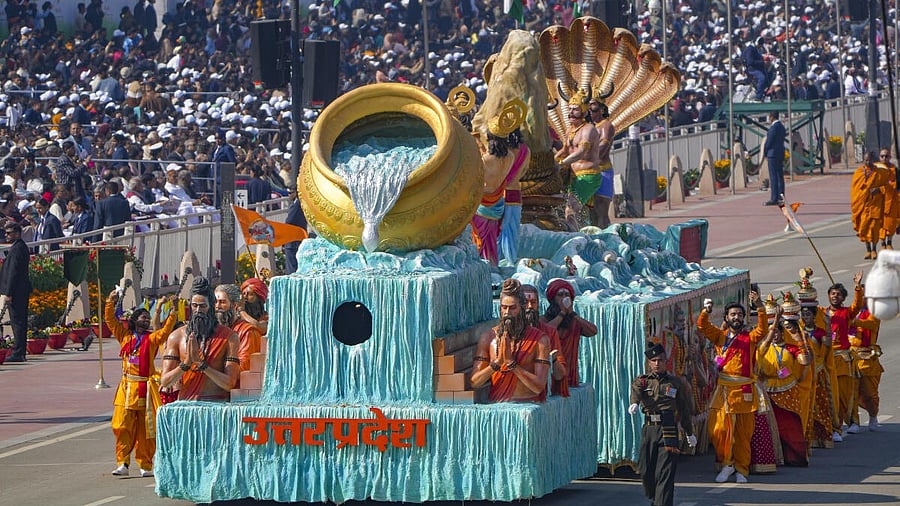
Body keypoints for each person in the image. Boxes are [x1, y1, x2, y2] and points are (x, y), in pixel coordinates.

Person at [696, 290, 767, 483]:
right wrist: (706, 311)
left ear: (744, 318)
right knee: (718, 430)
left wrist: (759, 306)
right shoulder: (720, 337)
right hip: (724, 390)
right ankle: (727, 464)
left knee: (743, 434)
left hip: (744, 391)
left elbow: (763, 330)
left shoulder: (750, 338)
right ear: (727, 317)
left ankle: (741, 470)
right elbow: (702, 325)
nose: (736, 317)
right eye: (733, 314)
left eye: (740, 315)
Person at [105, 290, 177, 477]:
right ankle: (122, 463)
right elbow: (110, 321)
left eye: (148, 318)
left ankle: (145, 464)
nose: (146, 320)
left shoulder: (151, 339)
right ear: (135, 319)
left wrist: (173, 312)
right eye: (143, 317)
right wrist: (110, 302)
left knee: (147, 430)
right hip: (126, 389)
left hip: (145, 390)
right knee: (121, 426)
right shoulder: (124, 337)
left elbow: (165, 332)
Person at [628, 343, 696, 506]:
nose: (657, 363)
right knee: (645, 470)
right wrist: (635, 403)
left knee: (665, 473)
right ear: (649, 363)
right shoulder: (643, 382)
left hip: (668, 429)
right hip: (650, 428)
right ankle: (655, 497)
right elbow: (636, 392)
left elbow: (684, 409)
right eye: (654, 360)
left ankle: (662, 502)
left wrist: (689, 432)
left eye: (660, 360)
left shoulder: (675, 383)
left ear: (666, 362)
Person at [160, 277, 240, 401]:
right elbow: (165, 381)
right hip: (186, 405)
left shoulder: (229, 337)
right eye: (194, 305)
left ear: (212, 306)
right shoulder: (176, 337)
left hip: (215, 406)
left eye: (203, 306)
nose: (198, 311)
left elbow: (230, 384)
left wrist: (201, 365)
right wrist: (186, 363)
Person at [470, 279, 551, 402]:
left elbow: (539, 386)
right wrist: (496, 363)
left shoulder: (540, 340)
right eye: (504, 308)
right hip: (498, 405)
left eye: (513, 308)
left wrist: (511, 364)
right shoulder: (488, 338)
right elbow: (475, 382)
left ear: (522, 308)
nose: (507, 313)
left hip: (527, 405)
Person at [756, 294, 812, 467]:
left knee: (790, 426)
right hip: (768, 392)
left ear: (782, 333)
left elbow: (805, 361)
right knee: (771, 427)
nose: (775, 336)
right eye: (772, 333)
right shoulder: (763, 348)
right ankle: (774, 456)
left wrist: (801, 341)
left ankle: (793, 457)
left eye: (778, 332)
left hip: (787, 391)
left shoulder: (791, 348)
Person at [471, 98, 528, 266]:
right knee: (493, 237)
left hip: (483, 202)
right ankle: (496, 264)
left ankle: (482, 266)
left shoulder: (486, 159)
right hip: (498, 202)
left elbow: (479, 173)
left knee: (480, 237)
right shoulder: (510, 157)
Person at [820, 272, 865, 437]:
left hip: (843, 358)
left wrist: (857, 287)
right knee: (830, 395)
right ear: (828, 296)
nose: (835, 296)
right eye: (832, 294)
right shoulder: (822, 313)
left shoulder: (847, 313)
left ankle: (849, 421)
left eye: (838, 294)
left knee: (845, 395)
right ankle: (834, 428)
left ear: (843, 298)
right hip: (827, 358)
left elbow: (857, 305)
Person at [797, 269, 837, 447]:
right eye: (803, 315)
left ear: (814, 316)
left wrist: (828, 326)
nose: (806, 317)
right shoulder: (798, 332)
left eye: (808, 315)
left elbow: (827, 344)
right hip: (804, 373)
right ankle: (808, 436)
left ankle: (825, 435)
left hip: (818, 374)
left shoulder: (819, 332)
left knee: (820, 405)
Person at [555, 90, 602, 229]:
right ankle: (584, 234)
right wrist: (552, 160)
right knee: (575, 212)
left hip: (588, 176)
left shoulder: (588, 130)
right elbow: (564, 150)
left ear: (584, 111)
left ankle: (574, 239)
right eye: (569, 109)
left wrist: (562, 163)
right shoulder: (570, 130)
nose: (571, 112)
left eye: (575, 109)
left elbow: (581, 152)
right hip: (574, 176)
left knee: (570, 210)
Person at [542, 279, 598, 388]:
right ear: (553, 298)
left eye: (567, 295)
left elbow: (593, 331)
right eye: (560, 295)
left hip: (570, 375)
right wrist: (562, 313)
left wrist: (572, 314)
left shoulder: (574, 321)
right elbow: (547, 332)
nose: (564, 298)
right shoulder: (543, 320)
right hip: (550, 373)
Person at [522, 284, 568, 397]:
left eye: (533, 302)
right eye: (525, 302)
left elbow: (560, 375)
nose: (529, 306)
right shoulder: (508, 333)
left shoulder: (550, 333)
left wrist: (553, 360)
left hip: (543, 392)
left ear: (538, 304)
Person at [0, 222, 32, 362]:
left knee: (18, 322)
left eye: (9, 232)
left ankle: (18, 352)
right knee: (18, 321)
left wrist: (8, 293)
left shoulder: (18, 249)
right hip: (19, 291)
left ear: (18, 233)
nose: (6, 235)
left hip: (17, 292)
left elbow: (13, 272)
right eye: (5, 232)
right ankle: (19, 351)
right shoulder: (18, 247)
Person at [851, 151, 891, 259]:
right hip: (862, 206)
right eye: (866, 160)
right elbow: (854, 190)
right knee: (863, 228)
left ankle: (874, 250)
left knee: (874, 228)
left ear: (874, 161)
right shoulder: (858, 172)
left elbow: (888, 187)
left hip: (875, 205)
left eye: (869, 160)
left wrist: (879, 189)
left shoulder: (880, 173)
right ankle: (868, 250)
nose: (867, 162)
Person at [850, 306, 884, 431]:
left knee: (870, 394)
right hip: (851, 357)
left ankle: (873, 415)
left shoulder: (874, 313)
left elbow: (871, 325)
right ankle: (853, 422)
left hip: (867, 358)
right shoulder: (853, 312)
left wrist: (852, 321)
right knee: (851, 393)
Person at [214, 283, 261, 373]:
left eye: (222, 302)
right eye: (215, 302)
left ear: (235, 305)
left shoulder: (248, 332)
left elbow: (244, 367)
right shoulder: (214, 330)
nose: (217, 306)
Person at [588, 89, 615, 228]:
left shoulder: (606, 125)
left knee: (601, 210)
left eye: (593, 106)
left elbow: (603, 148)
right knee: (589, 211)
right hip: (588, 172)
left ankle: (607, 239)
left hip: (602, 171)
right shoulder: (588, 126)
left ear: (602, 109)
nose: (590, 111)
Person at [877, 148, 898, 250]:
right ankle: (882, 244)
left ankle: (889, 242)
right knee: (880, 222)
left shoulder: (895, 169)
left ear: (890, 157)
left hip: (892, 199)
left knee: (891, 222)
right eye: (882, 156)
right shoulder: (876, 168)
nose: (884, 158)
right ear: (879, 157)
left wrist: (892, 185)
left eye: (886, 156)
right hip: (880, 200)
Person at [763, 111, 786, 206]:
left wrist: (765, 152)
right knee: (779, 175)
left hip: (773, 154)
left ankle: (774, 197)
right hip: (780, 152)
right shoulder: (781, 127)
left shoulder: (773, 128)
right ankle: (781, 195)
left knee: (773, 176)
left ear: (771, 117)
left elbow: (769, 141)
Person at [283, 186, 307, 274]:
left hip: (293, 239)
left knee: (292, 267)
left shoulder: (296, 205)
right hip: (298, 237)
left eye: (290, 193)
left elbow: (290, 221)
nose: (288, 195)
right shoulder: (300, 203)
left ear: (296, 193)